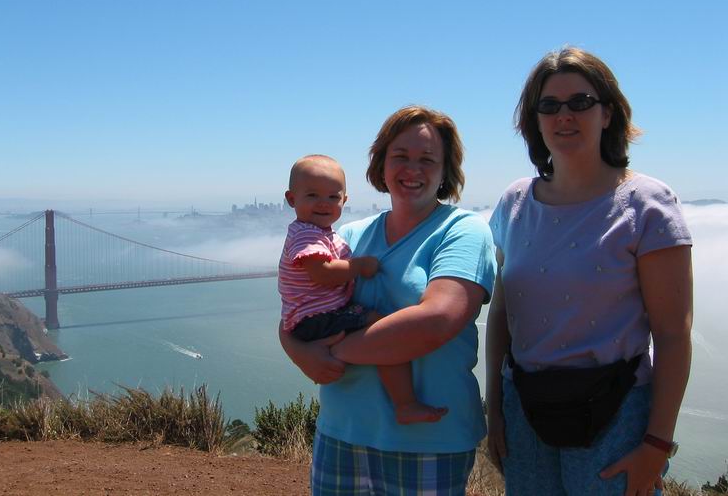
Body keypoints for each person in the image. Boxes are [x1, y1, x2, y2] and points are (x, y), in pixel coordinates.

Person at [485, 47, 693, 496]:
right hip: (525, 411)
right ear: (535, 120)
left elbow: (673, 334)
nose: (564, 115)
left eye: (580, 102)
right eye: (549, 105)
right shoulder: (515, 202)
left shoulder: (647, 204)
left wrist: (657, 444)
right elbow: (501, 311)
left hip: (616, 415)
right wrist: (495, 410)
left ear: (607, 113)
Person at [280, 106, 497, 495]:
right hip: (341, 432)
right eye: (400, 156)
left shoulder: (464, 231)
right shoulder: (347, 236)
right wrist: (297, 350)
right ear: (382, 164)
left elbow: (436, 322)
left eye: (427, 159)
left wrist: (331, 351)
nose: (412, 169)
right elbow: (299, 305)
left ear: (446, 170)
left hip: (429, 443)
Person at [279, 154, 446, 424]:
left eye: (333, 197)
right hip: (317, 318)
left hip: (310, 318)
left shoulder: (321, 232)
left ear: (344, 200)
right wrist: (359, 266)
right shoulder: (307, 234)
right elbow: (322, 273)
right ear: (291, 199)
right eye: (312, 195)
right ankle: (405, 403)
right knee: (384, 331)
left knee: (379, 330)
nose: (323, 203)